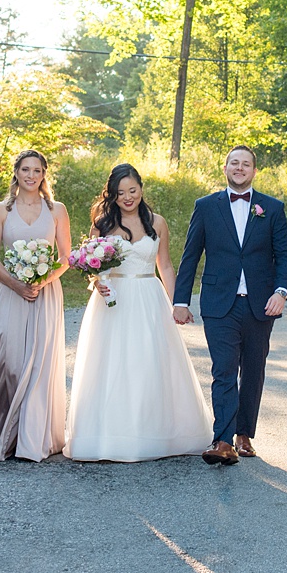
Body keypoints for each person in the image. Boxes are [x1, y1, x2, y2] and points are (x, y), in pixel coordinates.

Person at [66, 164, 213, 461]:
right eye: (120, 193)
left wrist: (178, 304)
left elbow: (166, 265)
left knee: (150, 361)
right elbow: (93, 266)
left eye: (132, 191)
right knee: (112, 363)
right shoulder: (103, 224)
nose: (127, 197)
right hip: (114, 301)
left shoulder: (157, 223)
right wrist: (98, 284)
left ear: (141, 189)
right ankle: (110, 435)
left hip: (149, 297)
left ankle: (156, 432)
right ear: (112, 195)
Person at [173, 145, 287, 465]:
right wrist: (181, 301)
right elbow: (190, 257)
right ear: (225, 168)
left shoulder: (273, 208)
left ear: (254, 171)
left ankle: (244, 434)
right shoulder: (206, 206)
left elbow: (284, 256)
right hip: (219, 302)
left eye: (246, 164)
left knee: (253, 370)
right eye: (234, 163)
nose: (239, 168)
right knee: (224, 369)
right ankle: (223, 439)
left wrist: (281, 292)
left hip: (260, 303)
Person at [0, 149, 72, 461]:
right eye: (26, 169)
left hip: (45, 293)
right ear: (16, 172)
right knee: (8, 360)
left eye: (37, 170)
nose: (31, 176)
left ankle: (32, 437)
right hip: (10, 292)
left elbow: (65, 258)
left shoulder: (56, 210)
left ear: (44, 174)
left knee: (39, 364)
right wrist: (16, 284)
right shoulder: (0, 210)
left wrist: (41, 281)